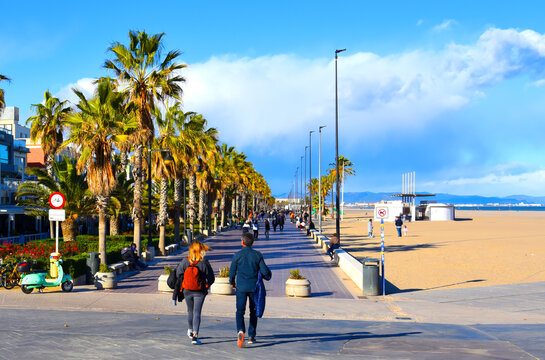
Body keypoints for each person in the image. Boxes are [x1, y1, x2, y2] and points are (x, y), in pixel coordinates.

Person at [230, 233, 272, 347]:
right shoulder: (257, 255)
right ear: (252, 242)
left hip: (241, 287)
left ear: (242, 242)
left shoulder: (237, 255)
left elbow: (232, 271)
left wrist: (232, 283)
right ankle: (251, 336)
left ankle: (240, 331)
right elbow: (264, 271)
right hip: (254, 288)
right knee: (253, 311)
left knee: (240, 311)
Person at [174, 241, 215, 345]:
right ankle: (195, 337)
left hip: (187, 290)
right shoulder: (204, 263)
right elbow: (211, 278)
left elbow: (178, 273)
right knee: (197, 312)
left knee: (190, 311)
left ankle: (190, 330)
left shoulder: (185, 261)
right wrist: (207, 285)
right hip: (200, 291)